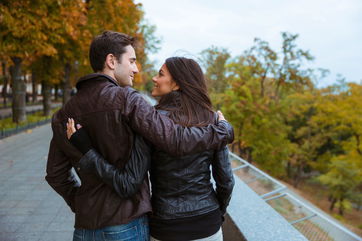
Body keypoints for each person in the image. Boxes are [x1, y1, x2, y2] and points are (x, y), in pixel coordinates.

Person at [45, 31, 234, 241]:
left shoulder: (63, 114)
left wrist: (81, 204)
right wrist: (223, 130)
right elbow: (176, 140)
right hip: (129, 223)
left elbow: (55, 174)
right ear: (111, 61)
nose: (136, 69)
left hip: (87, 226)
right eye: (132, 61)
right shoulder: (129, 101)